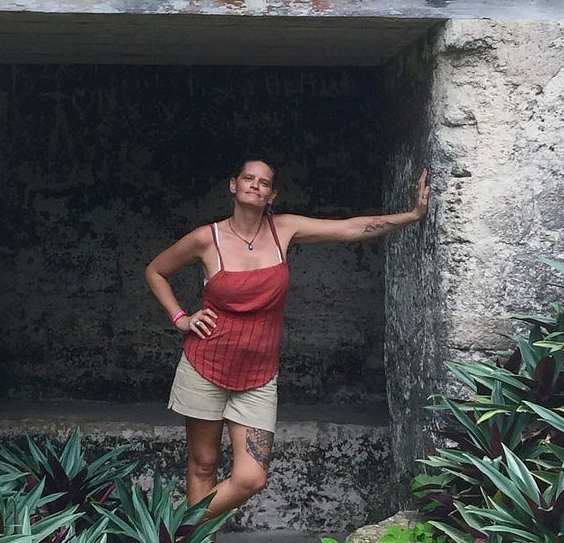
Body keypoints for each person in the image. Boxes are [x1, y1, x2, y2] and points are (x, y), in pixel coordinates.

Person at [143, 158, 430, 520]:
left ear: (271, 195)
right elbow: (156, 270)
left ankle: (180, 532)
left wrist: (412, 215)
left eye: (264, 182)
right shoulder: (207, 238)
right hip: (205, 365)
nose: (255, 185)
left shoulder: (284, 229)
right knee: (203, 464)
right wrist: (181, 318)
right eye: (248, 178)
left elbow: (350, 229)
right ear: (233, 185)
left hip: (259, 376)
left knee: (251, 477)